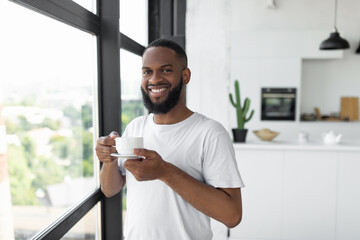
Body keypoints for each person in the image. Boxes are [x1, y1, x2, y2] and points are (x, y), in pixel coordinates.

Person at [96, 39, 244, 240]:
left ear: (185, 76)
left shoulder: (210, 133)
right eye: (147, 72)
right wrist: (108, 160)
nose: (154, 79)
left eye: (165, 70)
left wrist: (165, 171)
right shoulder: (135, 127)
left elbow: (232, 216)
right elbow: (110, 189)